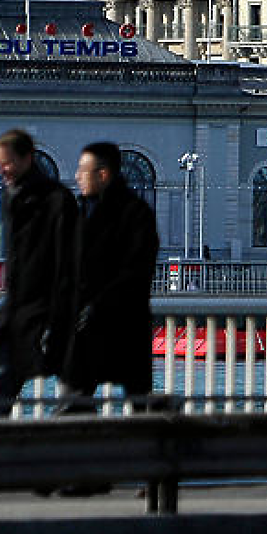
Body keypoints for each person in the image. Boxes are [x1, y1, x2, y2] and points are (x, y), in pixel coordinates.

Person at [0, 129, 76, 416]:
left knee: (0, 394)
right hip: (21, 311)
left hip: (43, 312)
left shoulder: (55, 200)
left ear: (26, 158)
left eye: (6, 163)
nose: (0, 170)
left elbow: (67, 261)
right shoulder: (14, 196)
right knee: (0, 393)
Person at [57, 141, 160, 411]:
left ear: (103, 174)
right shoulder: (81, 212)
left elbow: (136, 271)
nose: (77, 176)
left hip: (120, 325)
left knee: (132, 406)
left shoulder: (134, 214)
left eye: (83, 170)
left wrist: (95, 305)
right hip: (91, 327)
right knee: (76, 404)